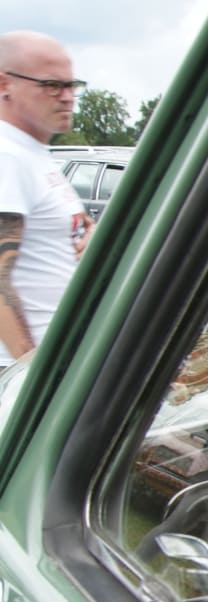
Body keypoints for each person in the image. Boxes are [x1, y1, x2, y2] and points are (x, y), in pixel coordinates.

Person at [0, 30, 91, 366]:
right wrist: (29, 370)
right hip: (24, 373)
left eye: (72, 85)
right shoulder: (7, 156)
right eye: (52, 85)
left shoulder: (32, 154)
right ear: (4, 85)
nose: (67, 97)